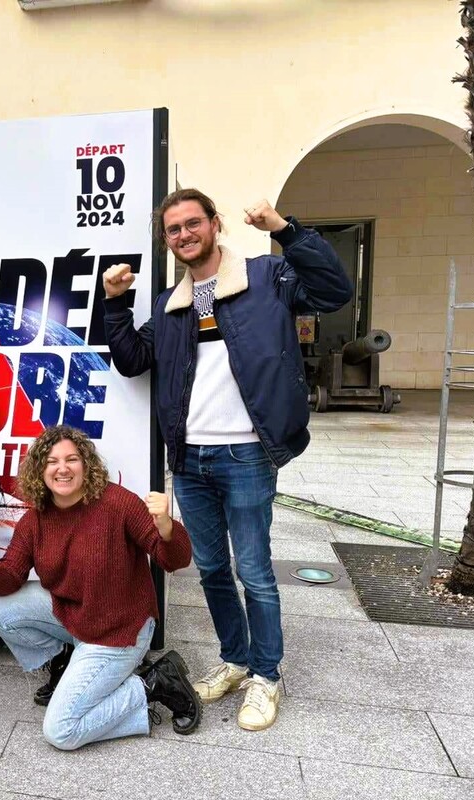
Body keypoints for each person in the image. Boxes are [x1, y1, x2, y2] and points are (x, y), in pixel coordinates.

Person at [103, 190, 353, 731]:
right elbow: (131, 360)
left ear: (215, 225)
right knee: (213, 569)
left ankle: (268, 675)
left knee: (256, 572)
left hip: (246, 454)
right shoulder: (172, 304)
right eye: (173, 229)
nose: (185, 234)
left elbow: (335, 291)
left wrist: (285, 229)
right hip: (190, 460)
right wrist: (115, 303)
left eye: (194, 223)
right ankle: (236, 661)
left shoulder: (268, 278)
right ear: (167, 241)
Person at [0, 425, 198, 751]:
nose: (62, 468)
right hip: (74, 615)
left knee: (61, 731)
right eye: (52, 461)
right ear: (39, 470)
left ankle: (154, 683)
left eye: (72, 459)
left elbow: (174, 560)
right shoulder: (35, 519)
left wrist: (168, 529)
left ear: (86, 465)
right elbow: (8, 580)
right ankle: (63, 663)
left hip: (120, 630)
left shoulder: (118, 503)